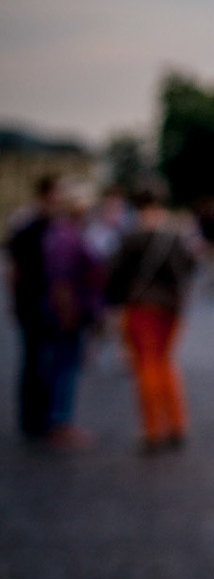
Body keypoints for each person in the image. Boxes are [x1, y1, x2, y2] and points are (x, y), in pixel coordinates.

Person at [104, 186, 198, 451]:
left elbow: (114, 274)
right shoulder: (174, 235)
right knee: (165, 362)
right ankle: (177, 423)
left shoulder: (132, 236)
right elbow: (188, 267)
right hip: (172, 307)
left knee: (146, 364)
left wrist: (114, 303)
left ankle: (153, 428)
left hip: (142, 306)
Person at [37, 182, 103, 450]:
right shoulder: (66, 236)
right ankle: (59, 422)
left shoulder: (62, 232)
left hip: (68, 310)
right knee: (65, 368)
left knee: (63, 366)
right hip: (68, 312)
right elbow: (61, 281)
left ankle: (58, 420)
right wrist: (67, 313)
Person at [7, 175, 59, 440]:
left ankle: (35, 418)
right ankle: (35, 419)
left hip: (34, 302)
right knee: (36, 362)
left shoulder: (33, 226)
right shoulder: (36, 228)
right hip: (36, 303)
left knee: (36, 361)